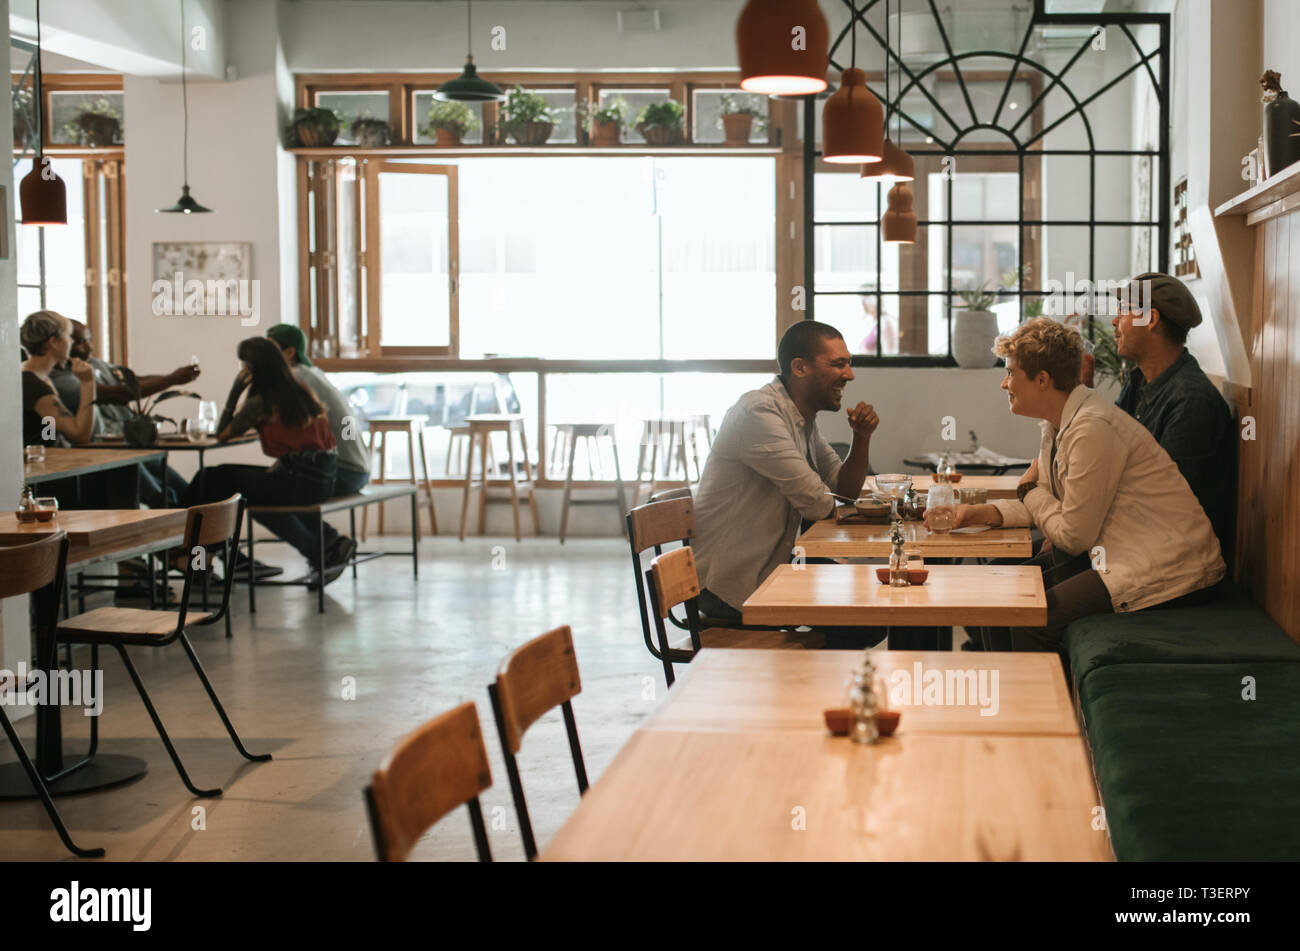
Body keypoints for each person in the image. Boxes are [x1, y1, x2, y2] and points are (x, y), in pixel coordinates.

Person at [931, 317, 1225, 653]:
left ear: (1042, 379)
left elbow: (1071, 535)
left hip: (1171, 570)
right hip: (1117, 551)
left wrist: (1029, 491)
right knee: (995, 592)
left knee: (1029, 617)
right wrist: (979, 513)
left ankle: (1037, 705)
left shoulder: (1092, 428)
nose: (1004, 384)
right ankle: (1007, 697)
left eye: (1010, 373)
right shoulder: (1059, 423)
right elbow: (1051, 501)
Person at [692, 320, 883, 647]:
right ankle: (800, 685)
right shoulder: (760, 413)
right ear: (800, 367)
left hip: (774, 566)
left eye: (849, 363)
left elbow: (843, 489)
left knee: (877, 609)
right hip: (732, 587)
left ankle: (809, 685)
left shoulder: (801, 417)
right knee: (865, 620)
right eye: (838, 364)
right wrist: (830, 495)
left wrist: (861, 437)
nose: (849, 375)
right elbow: (819, 504)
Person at [184, 337, 340, 587]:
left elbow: (223, 433)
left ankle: (198, 559)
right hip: (322, 477)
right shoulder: (298, 390)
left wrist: (235, 392)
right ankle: (210, 559)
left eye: (244, 365)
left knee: (207, 483)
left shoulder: (261, 401)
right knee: (211, 481)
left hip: (297, 480)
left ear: (254, 368)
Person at [1111, 272, 1235, 563]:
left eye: (1124, 310)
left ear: (1150, 319)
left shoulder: (1191, 401)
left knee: (1037, 592)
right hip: (1131, 542)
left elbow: (1160, 503)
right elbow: (1102, 450)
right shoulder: (1138, 381)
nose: (1115, 322)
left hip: (1169, 560)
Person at [254, 323, 365, 582]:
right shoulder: (311, 372)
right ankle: (329, 545)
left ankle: (323, 551)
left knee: (265, 498)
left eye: (271, 350)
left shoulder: (296, 378)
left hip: (343, 470)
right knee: (282, 490)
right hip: (355, 466)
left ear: (289, 352)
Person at [47, 317, 196, 506]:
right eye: (79, 342)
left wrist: (171, 377)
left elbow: (132, 381)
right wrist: (171, 380)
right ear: (54, 343)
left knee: (186, 491)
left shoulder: (94, 364)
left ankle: (206, 524)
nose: (89, 347)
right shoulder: (61, 379)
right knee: (162, 498)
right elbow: (117, 394)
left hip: (126, 442)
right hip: (106, 450)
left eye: (89, 339)